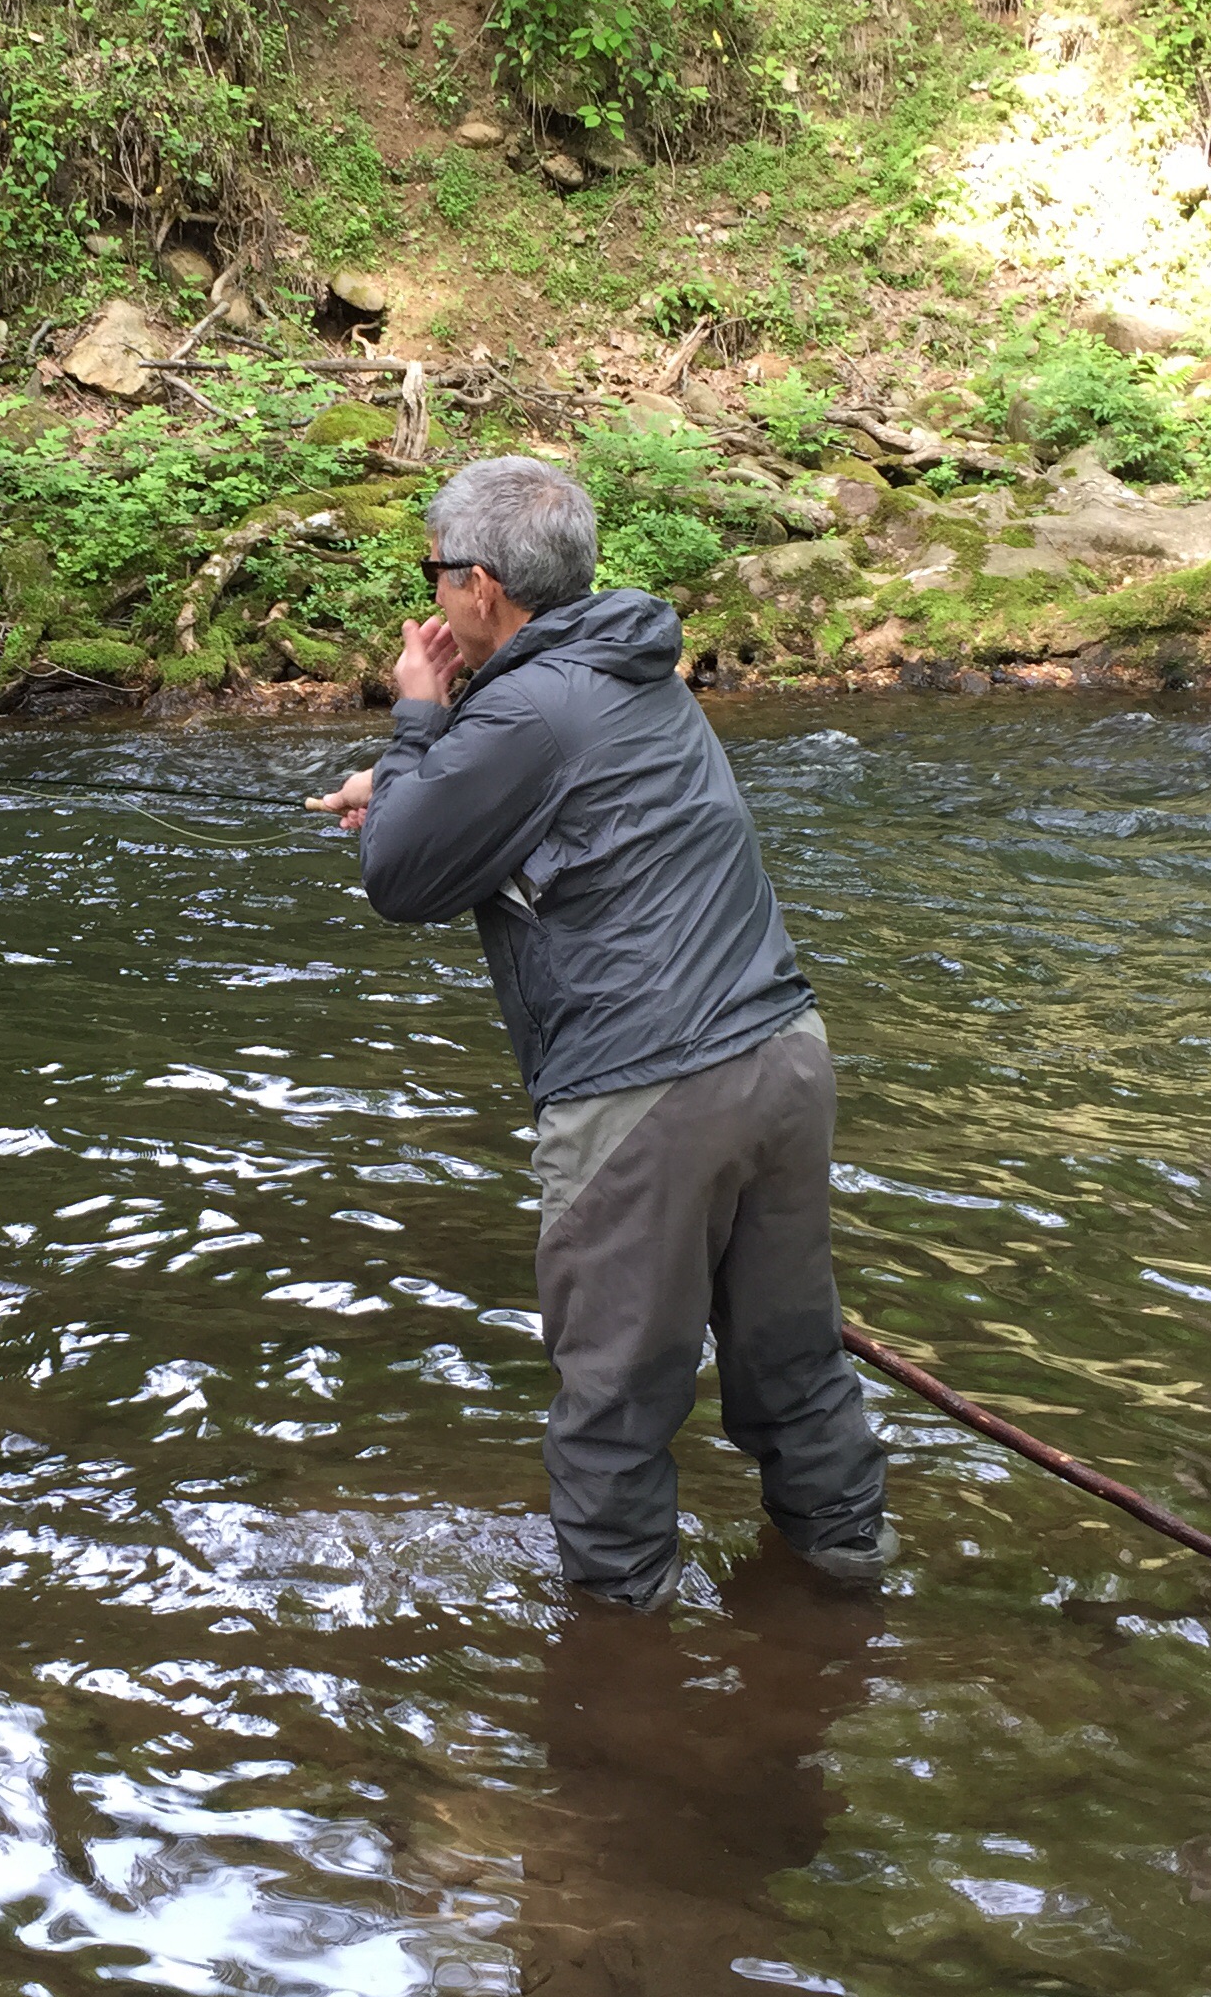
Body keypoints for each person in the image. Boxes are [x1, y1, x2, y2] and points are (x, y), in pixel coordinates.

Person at [310, 455, 889, 1609]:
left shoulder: (519, 703)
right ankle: (848, 1597)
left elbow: (400, 876)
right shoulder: (636, 669)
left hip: (647, 1094)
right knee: (793, 1365)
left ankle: (622, 1690)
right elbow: (553, 808)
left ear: (479, 587)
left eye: (434, 579)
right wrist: (419, 779)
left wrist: (417, 721)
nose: (429, 604)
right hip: (780, 1058)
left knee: (615, 1405)